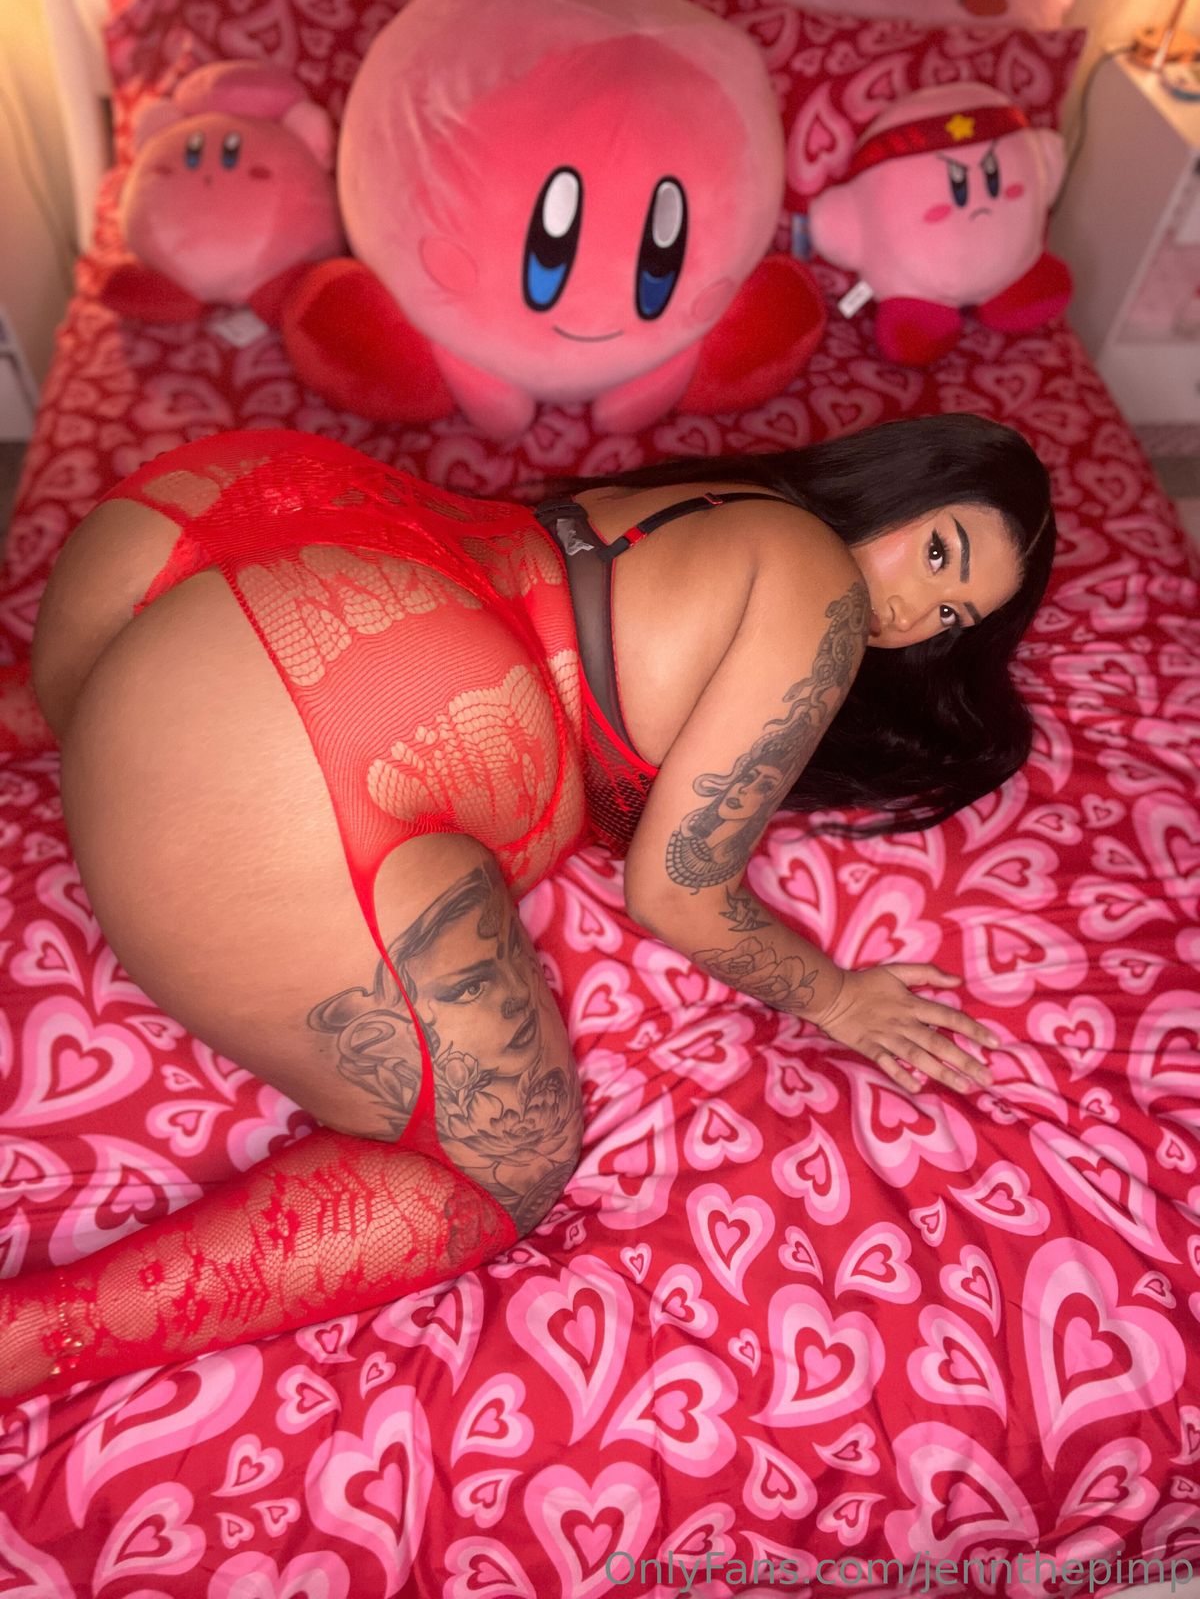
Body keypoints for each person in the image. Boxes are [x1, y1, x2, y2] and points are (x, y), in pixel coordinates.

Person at [0, 413, 1055, 1399]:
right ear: (892, 485)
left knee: (113, 707)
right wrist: (836, 998)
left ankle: (55, 723)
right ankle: (28, 1339)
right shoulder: (814, 582)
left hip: (225, 516)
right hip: (277, 717)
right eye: (937, 554)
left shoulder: (713, 494)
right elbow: (679, 891)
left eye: (950, 617)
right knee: (498, 1169)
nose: (909, 617)